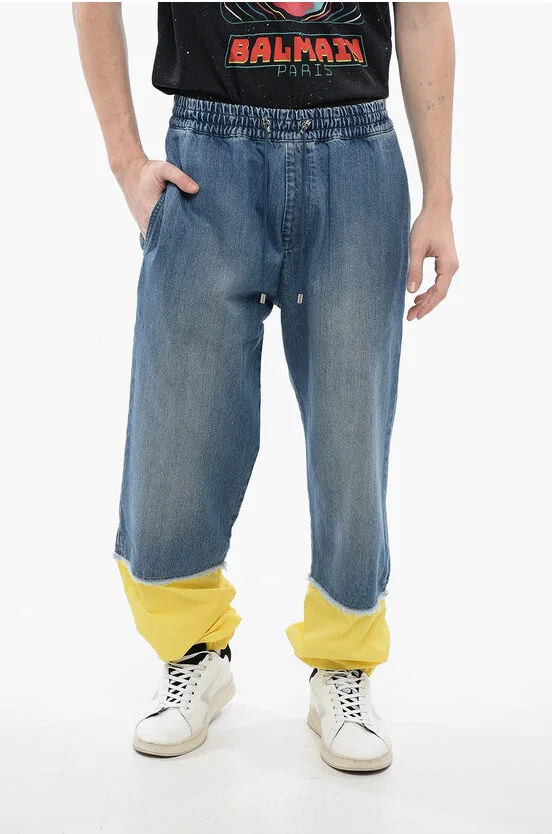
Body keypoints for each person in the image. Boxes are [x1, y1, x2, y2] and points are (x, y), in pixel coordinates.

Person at [73, 1, 458, 772]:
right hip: (207, 158)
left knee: (351, 434)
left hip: (357, 156)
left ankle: (342, 667)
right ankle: (193, 654)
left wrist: (438, 199)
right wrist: (124, 161)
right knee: (180, 426)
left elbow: (420, 15)